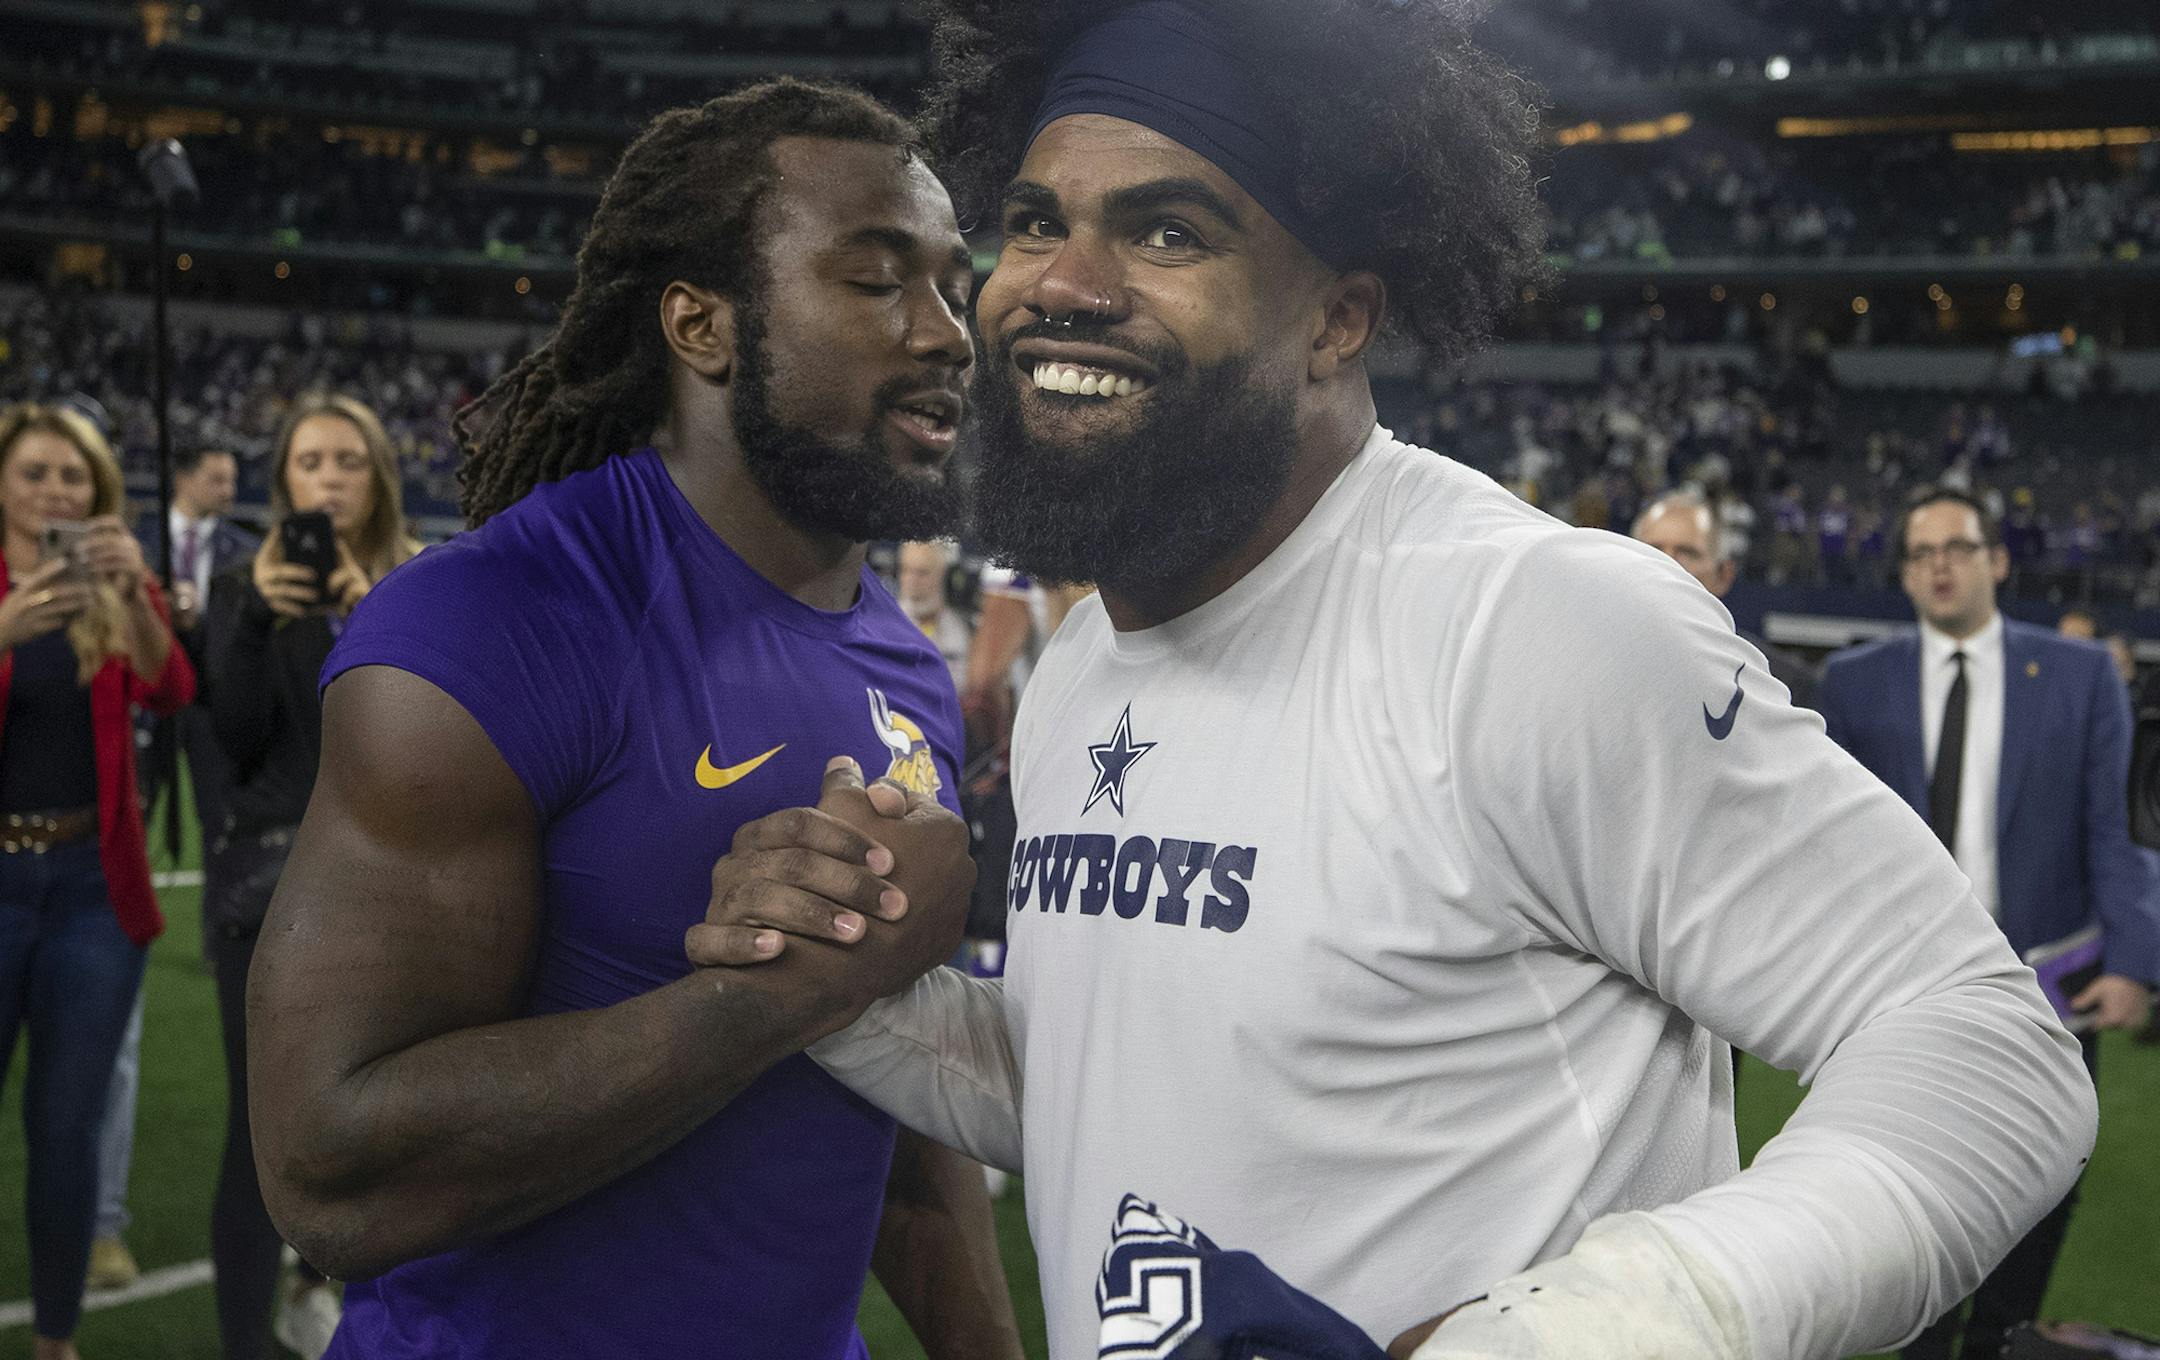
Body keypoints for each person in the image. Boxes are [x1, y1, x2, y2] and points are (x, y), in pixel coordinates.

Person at [693, 5, 2097, 1359]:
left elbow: (1984, 1047)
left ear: (1337, 321)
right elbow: (1119, 1080)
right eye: (1039, 221)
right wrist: (864, 991)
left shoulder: (1533, 623)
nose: (1062, 282)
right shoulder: (1081, 670)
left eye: (1168, 229)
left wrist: (1625, 1324)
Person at [246, 80, 1022, 1360]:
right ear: (701, 324)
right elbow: (333, 1173)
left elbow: (894, 1114)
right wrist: (783, 996)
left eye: (951, 282)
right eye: (879, 278)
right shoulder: (489, 624)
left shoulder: (904, 661)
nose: (946, 331)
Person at [1820, 485, 2160, 1360]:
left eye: (1958, 547)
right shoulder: (1856, 683)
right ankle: (1929, 1338)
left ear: (1997, 561)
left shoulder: (2082, 677)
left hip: (2049, 983)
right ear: (1903, 573)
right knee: (1916, 1185)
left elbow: (2113, 831)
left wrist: (2134, 959)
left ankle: (2000, 1338)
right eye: (1920, 551)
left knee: (2045, 1183)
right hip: (1905, 989)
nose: (1940, 564)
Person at [200, 394, 421, 1360]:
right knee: (258, 1138)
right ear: (281, 480)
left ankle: (348, 1315)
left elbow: (424, 754)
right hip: (268, 886)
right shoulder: (241, 589)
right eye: (307, 462)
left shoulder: (420, 583)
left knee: (391, 1129)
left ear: (379, 477)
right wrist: (255, 619)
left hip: (394, 895)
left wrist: (369, 616)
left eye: (348, 461)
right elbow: (235, 743)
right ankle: (246, 1343)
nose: (327, 479)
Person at [0, 401, 193, 1360]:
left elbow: (172, 688)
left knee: (66, 1129)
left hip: (91, 888)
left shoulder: (116, 581)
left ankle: (55, 1339)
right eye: (36, 473)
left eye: (73, 478)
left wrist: (133, 596)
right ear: (3, 483)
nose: (55, 492)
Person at [91, 444, 257, 1292]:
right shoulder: (140, 536)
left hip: (202, 703)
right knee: (139, 803)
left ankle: (209, 924)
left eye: (235, 481)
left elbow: (187, 672)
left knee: (215, 814)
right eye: (219, 478)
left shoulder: (235, 550)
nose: (229, 490)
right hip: (133, 724)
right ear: (188, 476)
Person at [1632, 490, 1819, 708]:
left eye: (1687, 552)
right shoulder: (1591, 663)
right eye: (1652, 550)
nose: (1667, 563)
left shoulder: (1779, 684)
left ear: (1724, 575)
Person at [896, 538, 972, 688]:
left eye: (922, 573)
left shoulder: (965, 629)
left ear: (944, 576)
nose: (912, 581)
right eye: (906, 570)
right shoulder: (883, 627)